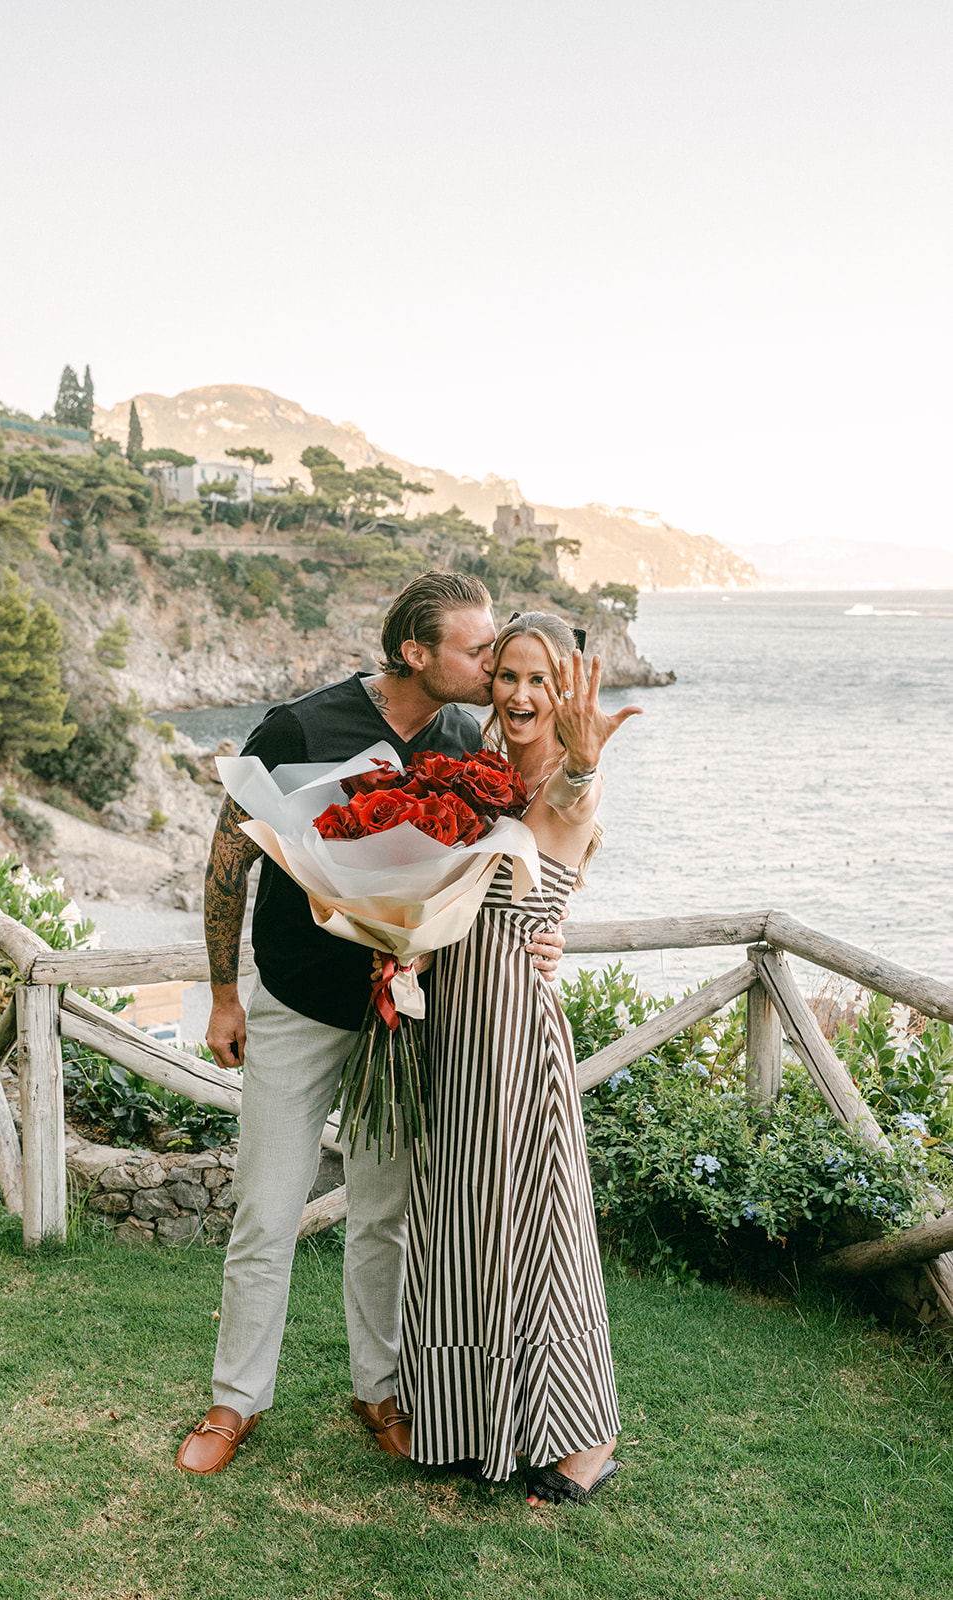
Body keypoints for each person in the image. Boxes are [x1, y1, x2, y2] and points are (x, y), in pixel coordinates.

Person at [176, 573, 564, 1474]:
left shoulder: (467, 737)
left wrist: (544, 938)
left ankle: (378, 1388)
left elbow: (507, 862)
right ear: (416, 652)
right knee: (267, 1212)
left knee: (384, 1216)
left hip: (405, 1017)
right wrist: (224, 995)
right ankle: (234, 1403)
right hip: (298, 1008)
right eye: (477, 651)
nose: (492, 665)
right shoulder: (301, 728)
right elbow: (228, 862)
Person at [398, 611, 641, 1506]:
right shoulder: (478, 775)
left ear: (567, 690)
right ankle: (476, 1419)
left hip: (513, 1018)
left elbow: (569, 805)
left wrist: (583, 758)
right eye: (507, 676)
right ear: (489, 684)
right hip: (452, 1016)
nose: (522, 694)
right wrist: (404, 943)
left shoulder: (572, 780)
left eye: (541, 679)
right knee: (465, 1216)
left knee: (541, 1224)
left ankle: (584, 1437)